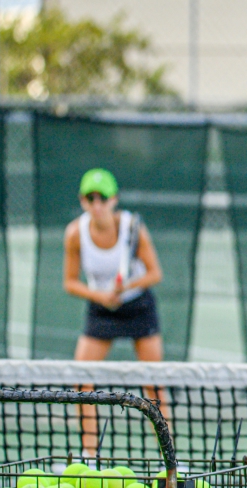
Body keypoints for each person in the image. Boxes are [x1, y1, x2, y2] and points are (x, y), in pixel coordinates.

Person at [63, 168, 166, 456]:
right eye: (90, 198)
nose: (97, 205)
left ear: (114, 200)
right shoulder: (75, 234)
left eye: (102, 198)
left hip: (138, 306)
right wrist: (100, 295)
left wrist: (126, 286)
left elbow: (155, 273)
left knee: (154, 384)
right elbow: (70, 282)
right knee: (82, 380)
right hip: (101, 309)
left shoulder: (134, 228)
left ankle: (169, 459)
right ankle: (88, 456)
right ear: (83, 201)